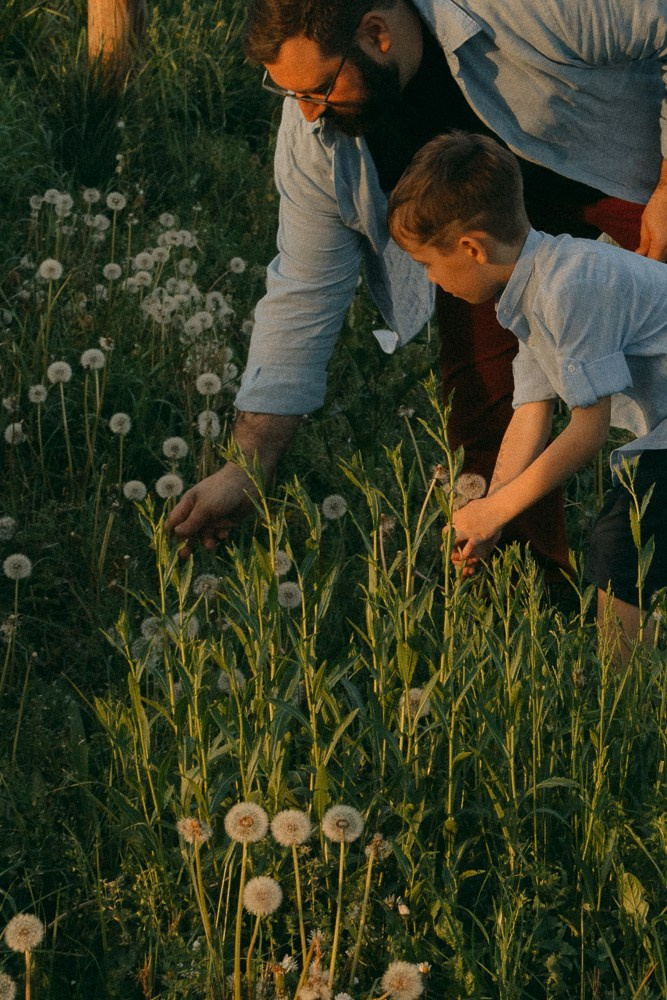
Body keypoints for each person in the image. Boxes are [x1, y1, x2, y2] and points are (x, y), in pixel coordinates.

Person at [169, 0, 667, 562]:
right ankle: (525, 604)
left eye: (316, 90)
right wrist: (247, 466)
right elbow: (303, 292)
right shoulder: (316, 136)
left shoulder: (518, 8)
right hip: (486, 249)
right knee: (484, 406)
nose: (308, 114)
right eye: (292, 96)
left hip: (622, 171)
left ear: (377, 34)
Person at [387, 131, 667, 655]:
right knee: (633, 529)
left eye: (428, 264)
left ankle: (628, 705)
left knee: (622, 540)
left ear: (472, 247)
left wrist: (495, 511)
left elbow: (588, 432)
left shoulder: (569, 286)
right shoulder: (532, 290)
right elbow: (530, 415)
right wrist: (495, 511)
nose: (430, 279)